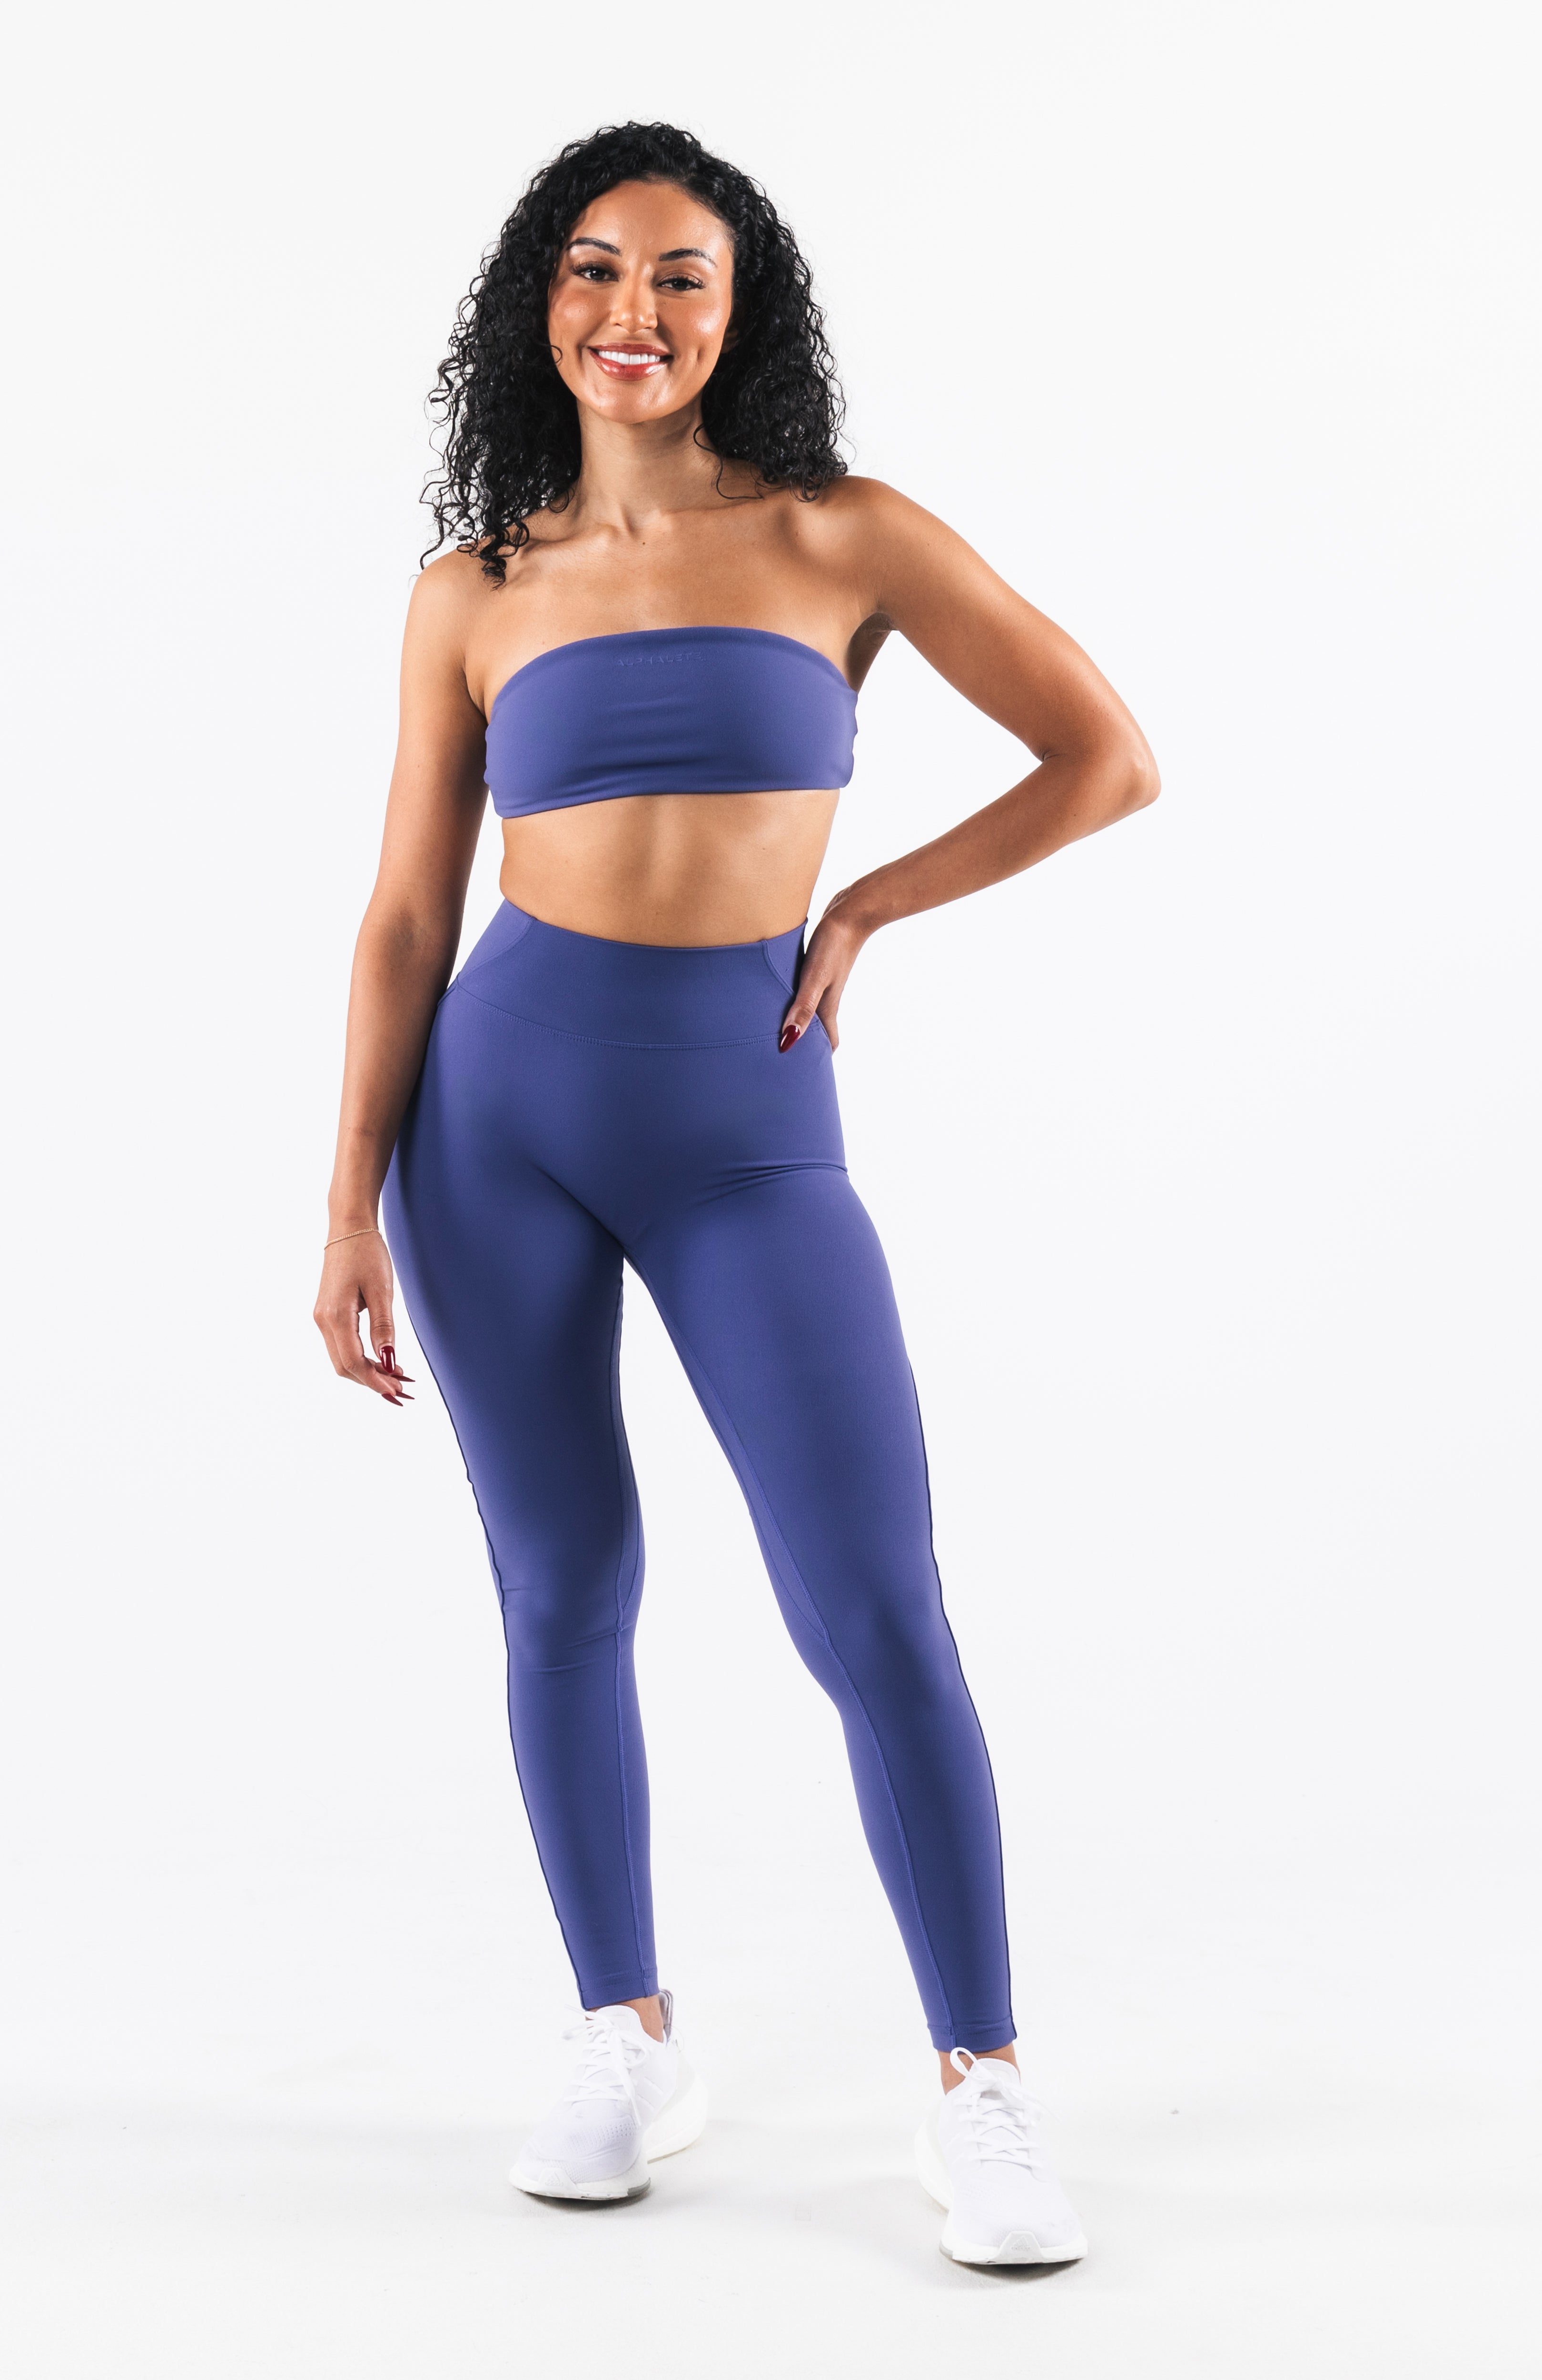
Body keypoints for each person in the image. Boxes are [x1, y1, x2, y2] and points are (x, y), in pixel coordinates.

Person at [314, 121, 1157, 2267]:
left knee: (873, 1599)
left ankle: (981, 2084)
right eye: (596, 270)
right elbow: (406, 916)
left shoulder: (839, 535)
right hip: (493, 1122)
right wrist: (345, 1204)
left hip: (747, 1123)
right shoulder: (472, 589)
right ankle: (623, 2028)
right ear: (542, 302)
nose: (634, 313)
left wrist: (865, 902)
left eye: (680, 276)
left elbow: (1104, 756)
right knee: (561, 1583)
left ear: (737, 307)